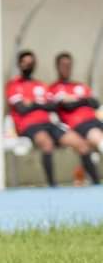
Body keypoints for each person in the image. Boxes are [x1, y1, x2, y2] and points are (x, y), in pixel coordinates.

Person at [6, 50, 97, 187]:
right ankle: (52, 186)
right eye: (25, 62)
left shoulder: (40, 85)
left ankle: (96, 184)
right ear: (19, 64)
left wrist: (32, 103)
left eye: (31, 62)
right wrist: (41, 104)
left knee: (82, 145)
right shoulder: (14, 84)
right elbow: (21, 109)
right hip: (28, 125)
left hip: (48, 124)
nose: (28, 65)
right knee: (47, 144)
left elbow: (53, 106)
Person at [49, 52, 103, 159]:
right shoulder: (54, 88)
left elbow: (95, 103)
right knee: (96, 135)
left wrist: (75, 100)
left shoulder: (80, 85)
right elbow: (68, 106)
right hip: (78, 125)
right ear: (57, 66)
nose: (66, 68)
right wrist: (84, 100)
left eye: (69, 65)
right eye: (63, 65)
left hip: (94, 120)